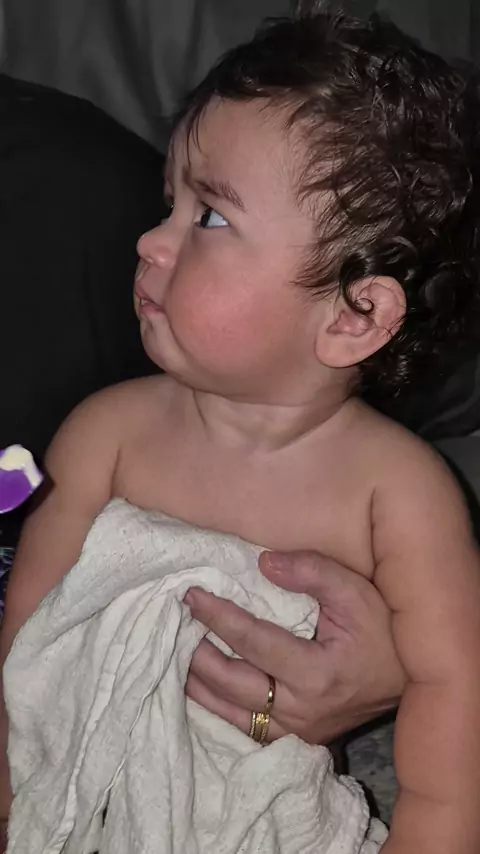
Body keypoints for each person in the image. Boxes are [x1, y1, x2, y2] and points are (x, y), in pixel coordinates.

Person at [2, 7, 480, 852]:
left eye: (210, 217)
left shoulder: (399, 494)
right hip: (79, 796)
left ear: (353, 317)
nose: (150, 242)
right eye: (170, 204)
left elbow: (456, 707)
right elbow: (28, 647)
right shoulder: (106, 434)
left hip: (265, 817)